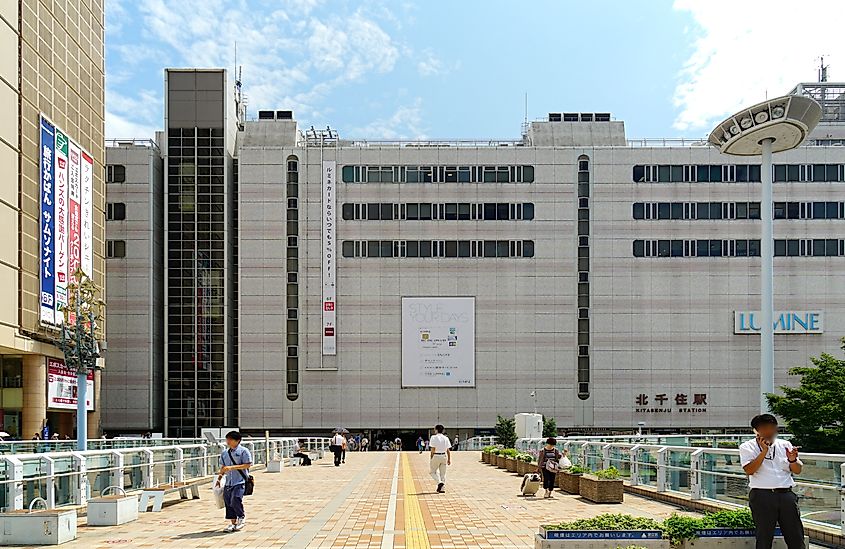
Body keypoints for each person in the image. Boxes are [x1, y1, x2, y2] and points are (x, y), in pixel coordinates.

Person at [739, 414, 805, 549]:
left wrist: (792, 459)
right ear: (756, 431)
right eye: (765, 429)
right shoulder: (747, 447)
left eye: (772, 429)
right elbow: (749, 470)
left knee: (795, 535)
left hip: (786, 494)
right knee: (764, 536)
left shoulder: (785, 445)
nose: (769, 433)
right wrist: (764, 451)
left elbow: (797, 470)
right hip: (762, 495)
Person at [218, 430, 252, 533]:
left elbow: (247, 464)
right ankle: (233, 524)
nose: (228, 441)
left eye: (230, 439)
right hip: (228, 482)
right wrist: (219, 478)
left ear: (237, 441)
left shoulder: (243, 451)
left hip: (240, 481)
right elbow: (223, 467)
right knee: (228, 503)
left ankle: (241, 516)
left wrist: (232, 467)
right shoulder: (224, 453)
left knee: (235, 499)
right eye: (227, 439)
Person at [429, 425, 451, 493]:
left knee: (432, 472)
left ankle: (439, 482)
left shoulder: (433, 437)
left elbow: (433, 449)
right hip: (443, 456)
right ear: (443, 430)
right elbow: (448, 450)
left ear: (436, 430)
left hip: (436, 455)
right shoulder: (446, 438)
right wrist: (449, 459)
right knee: (442, 474)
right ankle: (442, 489)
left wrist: (431, 457)